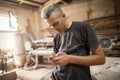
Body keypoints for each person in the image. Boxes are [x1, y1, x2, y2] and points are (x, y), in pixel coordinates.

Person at [41, 3, 106, 80]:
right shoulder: (56, 38)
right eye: (50, 26)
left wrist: (70, 59)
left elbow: (101, 59)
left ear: (63, 16)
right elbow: (58, 59)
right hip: (57, 77)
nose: (54, 29)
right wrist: (54, 58)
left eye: (55, 24)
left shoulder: (83, 28)